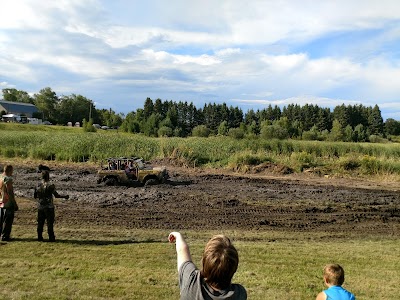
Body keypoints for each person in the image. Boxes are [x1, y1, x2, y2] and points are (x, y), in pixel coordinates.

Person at [168, 232, 247, 300]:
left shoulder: (191, 282)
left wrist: (178, 236)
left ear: (203, 261)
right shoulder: (239, 294)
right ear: (235, 268)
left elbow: (182, 251)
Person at [34, 170, 69, 242]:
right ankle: (51, 237)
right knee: (50, 223)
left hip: (40, 207)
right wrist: (65, 196)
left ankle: (39, 237)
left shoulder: (37, 185)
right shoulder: (50, 186)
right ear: (48, 177)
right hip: (49, 207)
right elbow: (56, 195)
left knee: (40, 223)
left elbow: (35, 196)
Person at [0, 165, 18, 241]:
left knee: (1, 220)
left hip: (1, 201)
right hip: (8, 202)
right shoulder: (8, 179)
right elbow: (10, 192)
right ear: (10, 170)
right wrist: (14, 203)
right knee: (8, 221)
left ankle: (1, 235)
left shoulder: (0, 177)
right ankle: (5, 236)